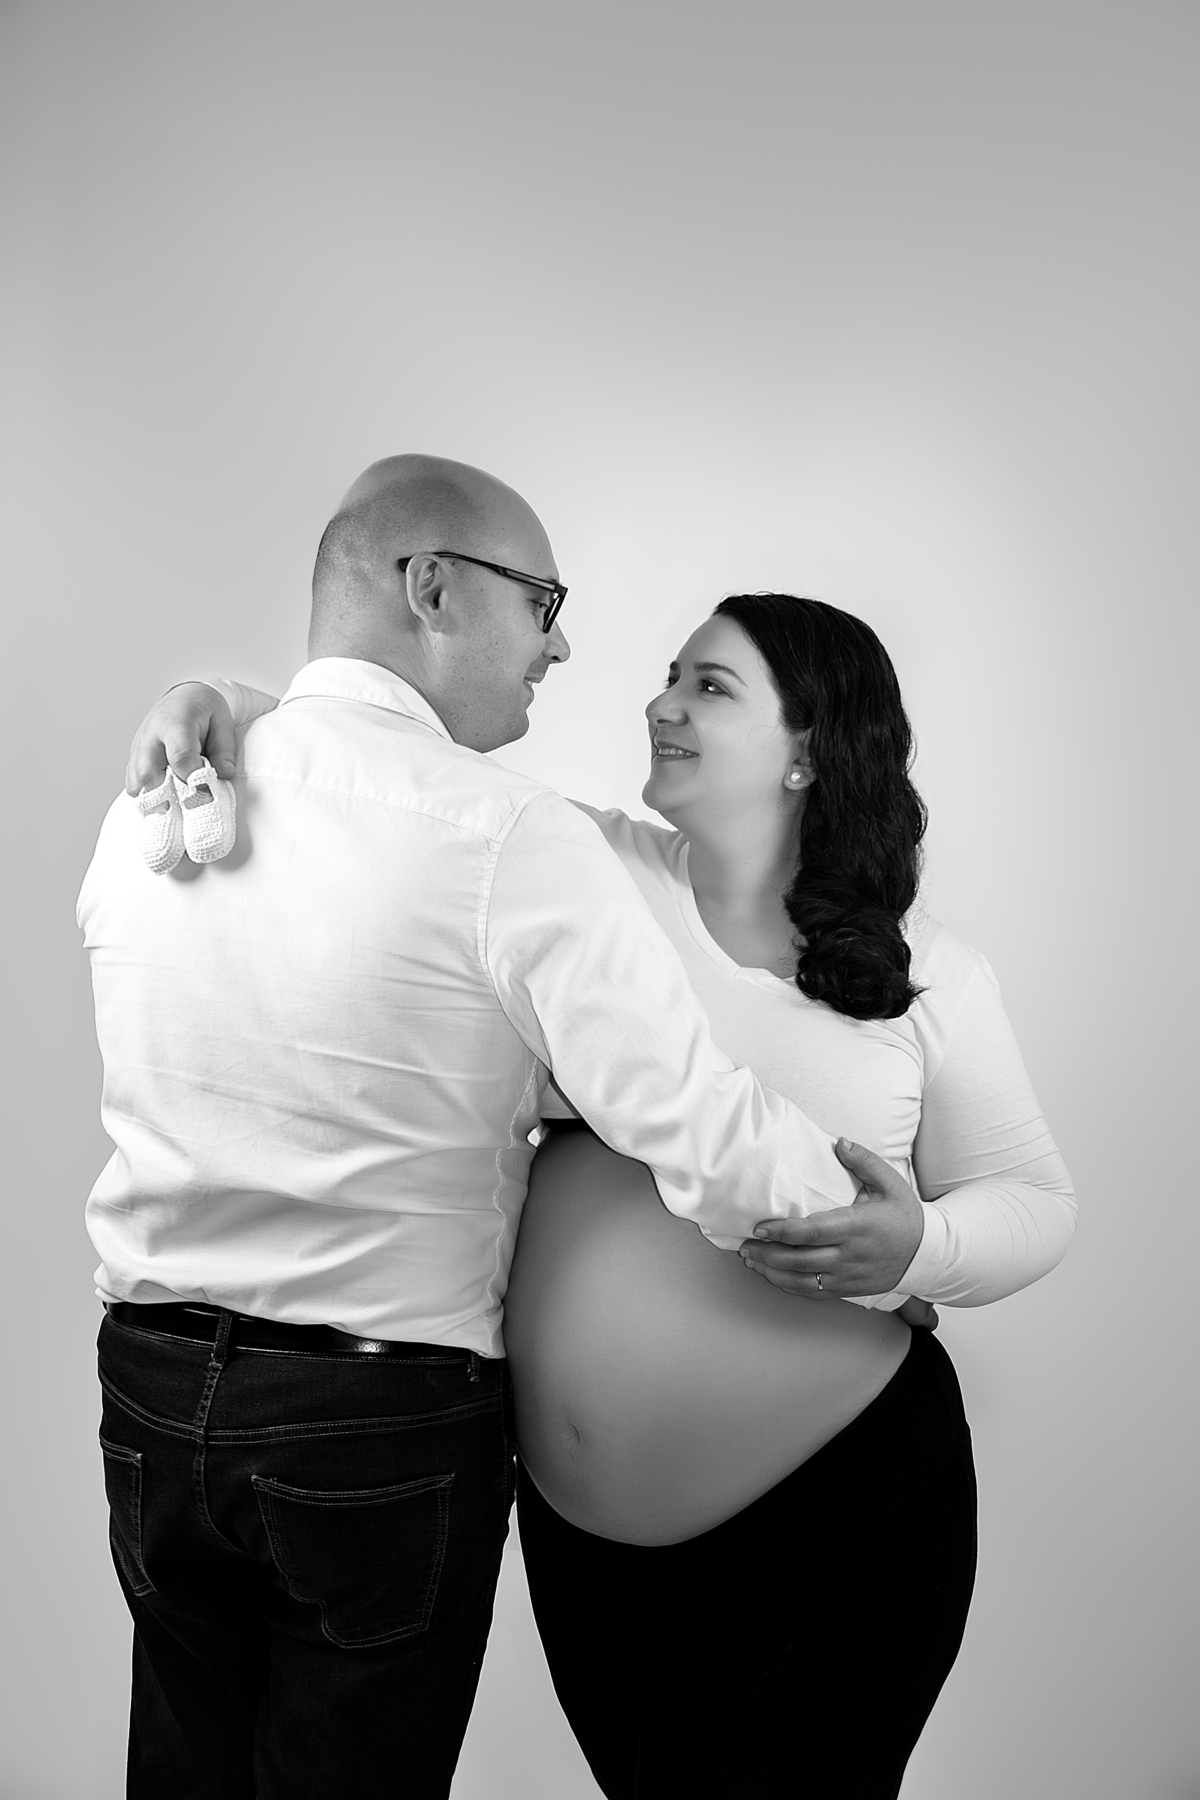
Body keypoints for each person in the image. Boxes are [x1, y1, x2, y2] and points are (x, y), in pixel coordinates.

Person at [82, 456, 933, 1800]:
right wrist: (882, 1252)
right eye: (542, 601)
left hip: (148, 1395)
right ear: (432, 587)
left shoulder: (153, 807)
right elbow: (695, 1123)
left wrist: (229, 698)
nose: (561, 644)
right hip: (370, 1423)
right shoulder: (500, 835)